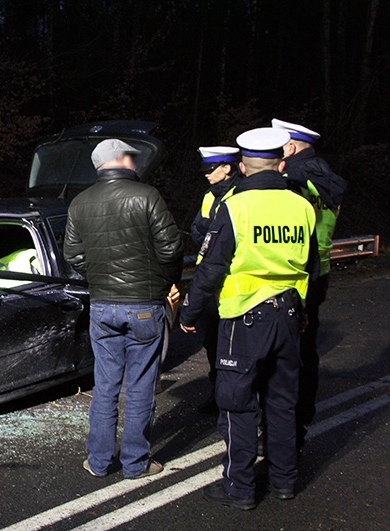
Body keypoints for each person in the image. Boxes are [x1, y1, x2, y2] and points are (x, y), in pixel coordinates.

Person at [179, 127, 317, 510]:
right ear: (282, 163)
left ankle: (240, 488)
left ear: (242, 166)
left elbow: (210, 268)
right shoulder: (302, 205)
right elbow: (312, 267)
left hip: (245, 318)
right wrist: (302, 313)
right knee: (282, 401)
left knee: (238, 404)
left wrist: (190, 311)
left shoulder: (234, 206)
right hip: (289, 314)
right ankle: (284, 480)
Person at [64, 138, 182, 479]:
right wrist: (165, 283)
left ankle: (98, 462)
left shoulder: (80, 203)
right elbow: (171, 248)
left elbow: (72, 255)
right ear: (120, 160)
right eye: (130, 156)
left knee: (105, 387)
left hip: (102, 306)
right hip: (144, 305)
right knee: (141, 385)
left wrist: (99, 278)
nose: (134, 161)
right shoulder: (147, 196)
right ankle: (136, 463)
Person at [272, 118, 348, 450]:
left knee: (282, 355)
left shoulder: (292, 181)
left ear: (289, 148)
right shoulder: (328, 181)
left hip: (291, 274)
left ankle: (282, 429)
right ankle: (302, 419)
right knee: (306, 350)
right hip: (319, 275)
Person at [190, 146, 241, 412]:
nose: (207, 175)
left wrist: (213, 238)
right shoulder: (210, 196)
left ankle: (236, 399)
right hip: (210, 282)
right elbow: (197, 230)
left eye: (211, 169)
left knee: (236, 348)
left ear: (227, 168)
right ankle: (217, 393)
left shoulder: (241, 196)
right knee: (212, 343)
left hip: (233, 282)